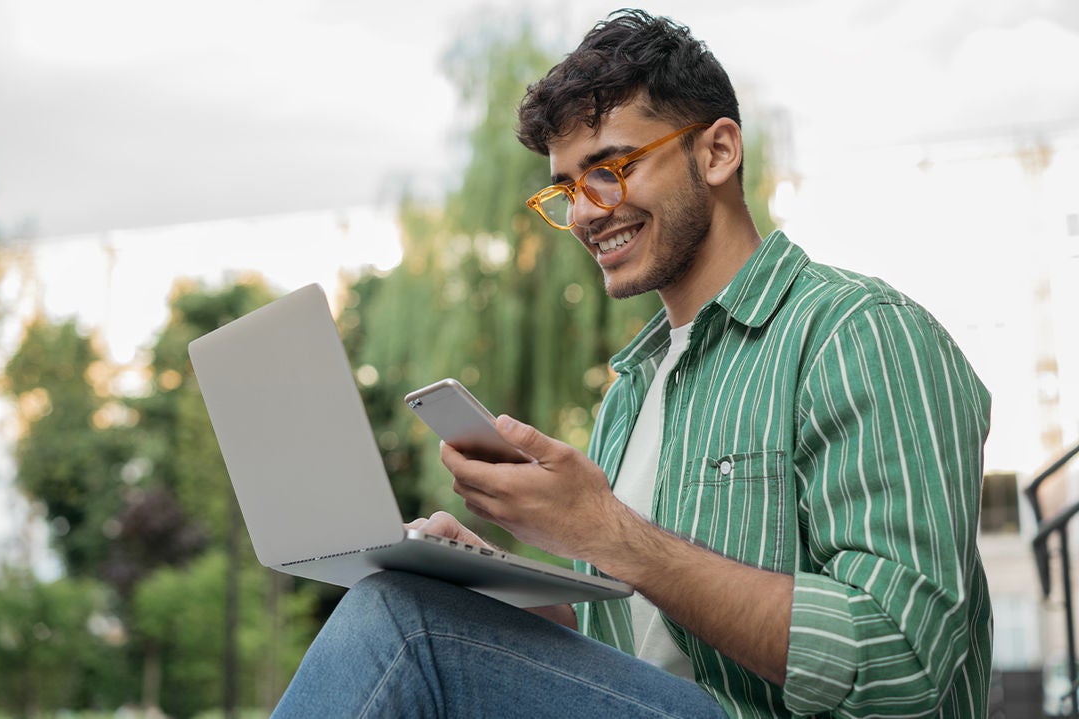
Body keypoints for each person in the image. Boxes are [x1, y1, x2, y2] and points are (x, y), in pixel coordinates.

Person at [274, 9, 992, 718]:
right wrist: (491, 585)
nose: (585, 212)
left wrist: (606, 529)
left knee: (402, 622)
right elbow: (634, 657)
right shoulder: (633, 392)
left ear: (716, 152)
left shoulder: (857, 333)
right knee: (413, 599)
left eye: (610, 169)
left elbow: (904, 662)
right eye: (567, 188)